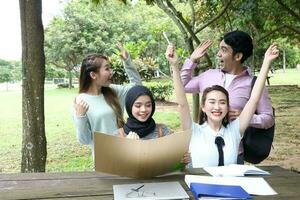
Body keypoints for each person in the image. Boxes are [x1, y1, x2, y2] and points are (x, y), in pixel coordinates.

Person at [166, 43, 279, 167]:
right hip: (201, 185)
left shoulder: (235, 130)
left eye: (223, 102)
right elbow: (182, 103)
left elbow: (253, 99)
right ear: (203, 107)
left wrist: (266, 62)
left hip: (229, 185)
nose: (217, 107)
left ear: (228, 107)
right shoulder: (194, 130)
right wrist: (174, 65)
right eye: (212, 102)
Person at [73, 43, 142, 157]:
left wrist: (127, 62)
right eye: (107, 69)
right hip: (104, 159)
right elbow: (84, 140)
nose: (111, 72)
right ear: (93, 75)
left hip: (126, 152)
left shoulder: (113, 90)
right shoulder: (80, 102)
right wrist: (80, 116)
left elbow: (137, 87)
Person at [116, 85, 190, 165]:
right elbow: (115, 168)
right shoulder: (118, 136)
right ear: (129, 106)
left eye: (148, 105)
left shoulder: (162, 131)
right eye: (138, 106)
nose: (143, 110)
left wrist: (182, 162)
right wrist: (128, 148)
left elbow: (175, 167)